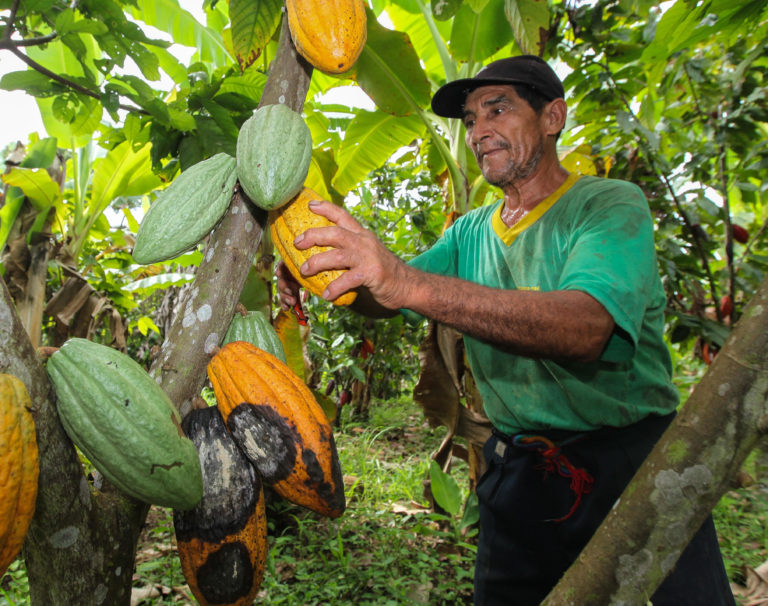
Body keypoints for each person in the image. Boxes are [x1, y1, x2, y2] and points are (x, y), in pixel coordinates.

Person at [276, 55, 734, 605]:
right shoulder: (470, 231)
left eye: (498, 109)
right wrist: (340, 273)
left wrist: (403, 282)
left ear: (552, 117)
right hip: (520, 472)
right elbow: (390, 298)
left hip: (630, 469)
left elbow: (586, 327)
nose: (478, 131)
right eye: (470, 119)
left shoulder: (607, 206)